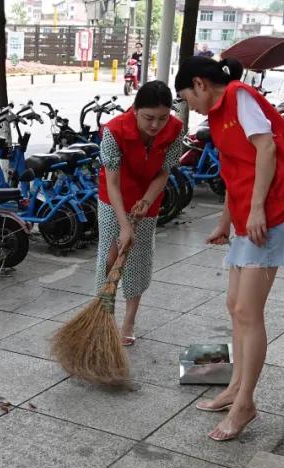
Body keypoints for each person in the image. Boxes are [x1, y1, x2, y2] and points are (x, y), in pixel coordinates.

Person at [174, 57, 284, 441]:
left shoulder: (240, 96)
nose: (189, 106)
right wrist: (226, 221)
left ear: (200, 84)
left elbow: (266, 150)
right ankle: (235, 388)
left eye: (187, 98)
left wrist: (257, 208)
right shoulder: (217, 116)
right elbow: (233, 169)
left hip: (268, 215)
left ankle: (246, 404)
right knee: (235, 306)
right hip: (246, 216)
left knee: (248, 310)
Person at [96, 80, 185, 345]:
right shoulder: (114, 131)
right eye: (148, 118)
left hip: (149, 197)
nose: (155, 125)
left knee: (138, 257)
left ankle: (129, 320)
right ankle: (103, 316)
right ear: (135, 110)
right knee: (110, 257)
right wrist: (124, 224)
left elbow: (164, 171)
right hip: (114, 199)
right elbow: (112, 182)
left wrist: (145, 202)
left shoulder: (175, 129)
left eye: (162, 118)